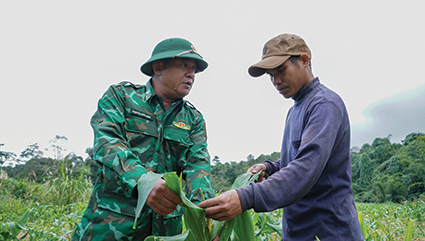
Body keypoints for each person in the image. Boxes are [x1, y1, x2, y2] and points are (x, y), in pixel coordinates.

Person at [198, 33, 364, 240]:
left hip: (328, 231)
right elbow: (294, 160)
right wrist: (269, 167)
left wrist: (246, 197)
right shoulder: (295, 109)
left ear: (304, 60)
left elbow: (306, 168)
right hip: (298, 231)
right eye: (270, 75)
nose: (276, 81)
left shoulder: (324, 105)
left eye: (281, 70)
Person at [72, 37, 215, 240]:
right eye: (184, 65)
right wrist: (144, 181)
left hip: (166, 232)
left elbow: (198, 170)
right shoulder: (121, 97)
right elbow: (107, 143)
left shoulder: (193, 119)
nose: (191, 74)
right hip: (112, 224)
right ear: (158, 67)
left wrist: (207, 219)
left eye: (194, 69)